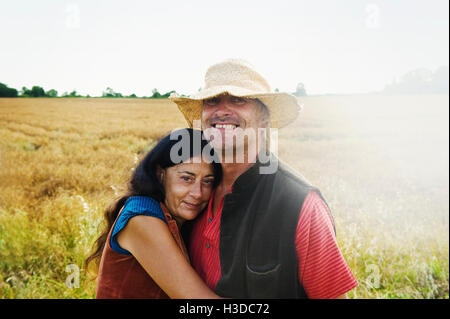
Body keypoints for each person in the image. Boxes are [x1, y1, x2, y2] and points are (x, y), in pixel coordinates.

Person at [169, 59, 358, 299]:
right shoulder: (191, 190)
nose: (222, 110)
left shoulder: (299, 204)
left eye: (239, 100)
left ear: (264, 120)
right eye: (212, 100)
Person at [85, 128, 223, 298]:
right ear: (160, 174)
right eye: (187, 178)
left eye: (207, 181)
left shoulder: (176, 219)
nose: (198, 193)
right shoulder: (142, 218)